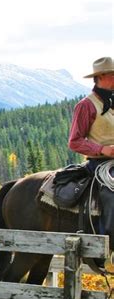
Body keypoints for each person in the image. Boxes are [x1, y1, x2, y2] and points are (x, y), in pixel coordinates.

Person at [68, 56, 114, 258]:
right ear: (101, 76)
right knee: (112, 193)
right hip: (101, 164)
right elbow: (74, 141)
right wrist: (101, 149)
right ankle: (108, 248)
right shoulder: (86, 105)